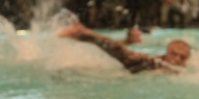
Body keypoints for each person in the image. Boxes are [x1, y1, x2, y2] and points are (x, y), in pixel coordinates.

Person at [60, 22, 190, 74]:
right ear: (167, 53)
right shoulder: (154, 62)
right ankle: (83, 33)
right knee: (121, 52)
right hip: (141, 65)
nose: (177, 59)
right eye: (174, 54)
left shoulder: (185, 68)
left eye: (182, 57)